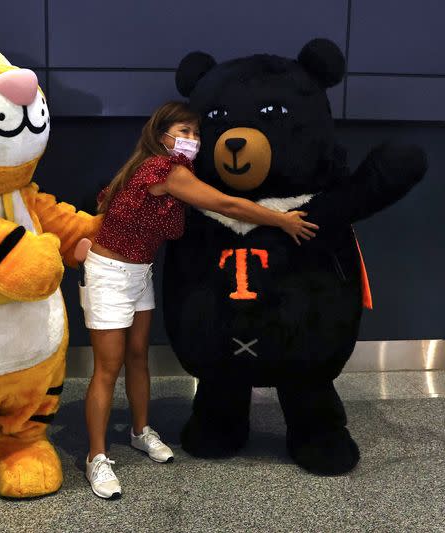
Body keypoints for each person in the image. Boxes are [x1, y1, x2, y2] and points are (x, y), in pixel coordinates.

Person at [79, 101, 318, 499]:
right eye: (183, 131)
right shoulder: (161, 169)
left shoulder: (168, 170)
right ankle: (96, 458)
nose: (191, 140)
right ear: (161, 135)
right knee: (107, 368)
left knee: (138, 355)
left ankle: (140, 432)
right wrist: (283, 219)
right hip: (109, 274)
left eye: (195, 133)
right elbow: (224, 204)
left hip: (140, 272)